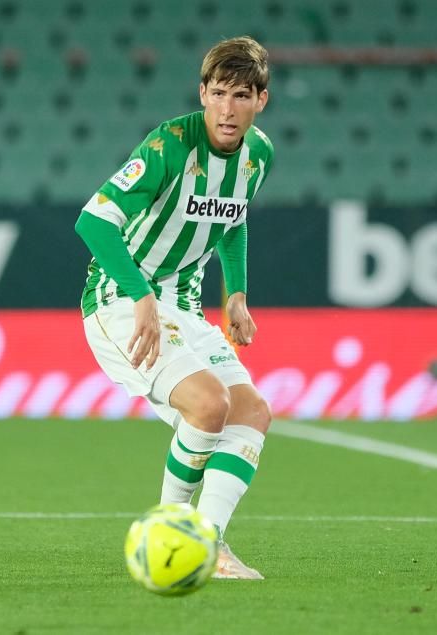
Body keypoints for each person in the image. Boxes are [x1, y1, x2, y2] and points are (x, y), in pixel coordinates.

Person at [74, 36, 273, 578]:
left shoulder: (258, 155)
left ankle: (210, 544)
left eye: (242, 95)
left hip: (184, 306)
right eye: (219, 93)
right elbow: (93, 221)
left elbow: (233, 220)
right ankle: (170, 531)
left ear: (261, 100)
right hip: (120, 299)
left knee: (252, 411)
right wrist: (140, 295)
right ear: (202, 93)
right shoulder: (170, 146)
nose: (228, 109)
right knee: (209, 405)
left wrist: (236, 294)